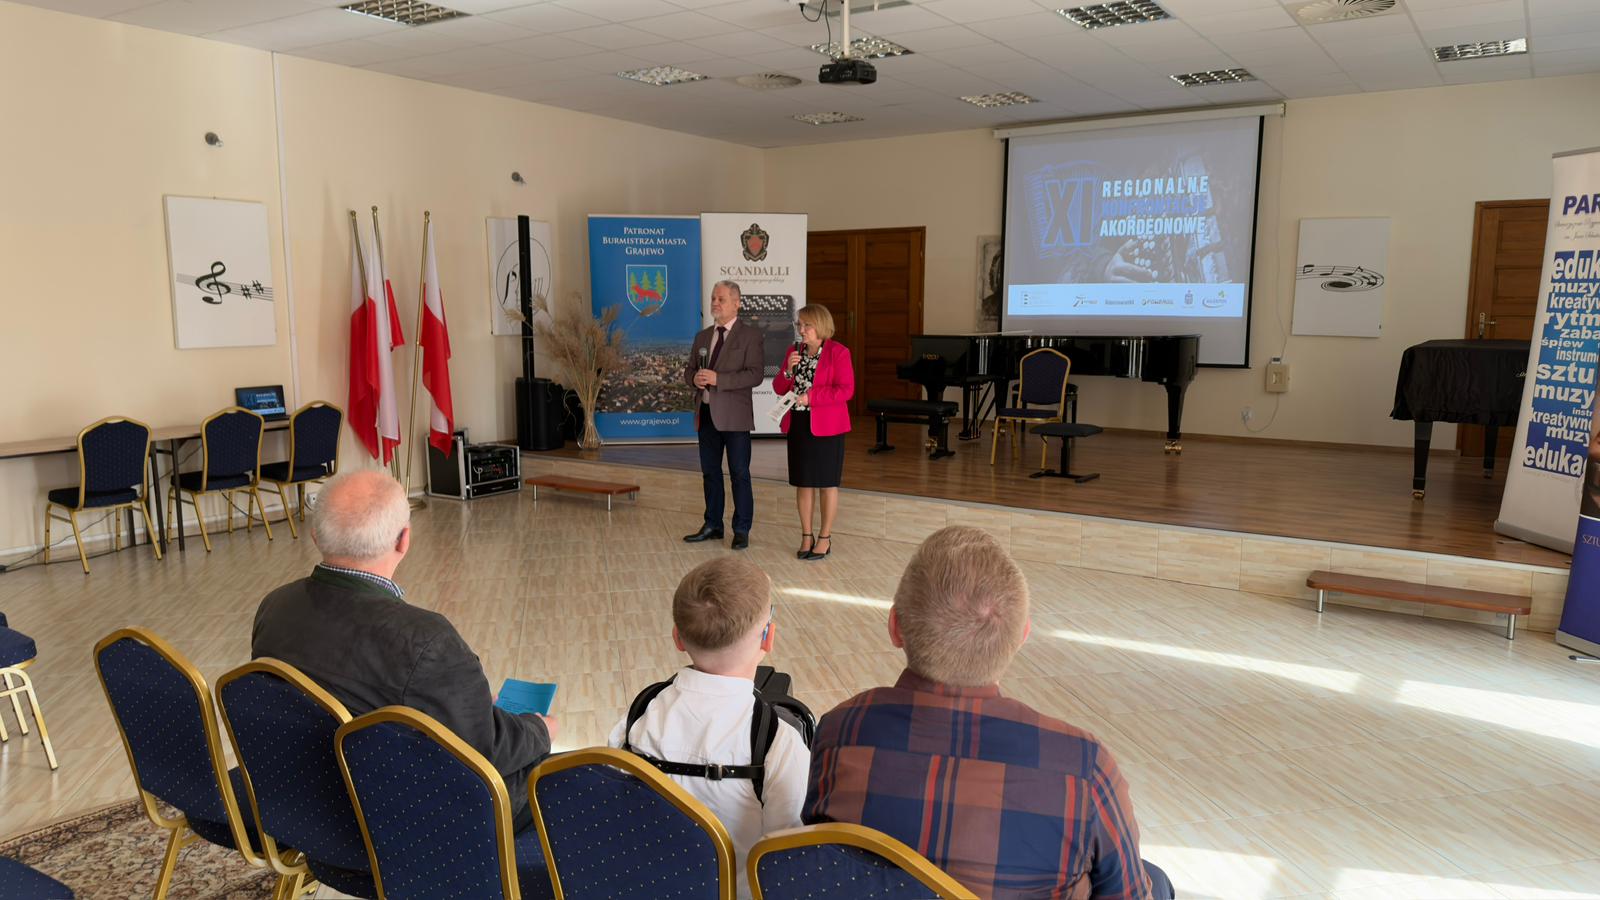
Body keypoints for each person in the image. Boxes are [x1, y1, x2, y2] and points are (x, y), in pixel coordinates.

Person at [803, 526, 1172, 899]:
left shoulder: (840, 730)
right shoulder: (1084, 767)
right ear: (1021, 636)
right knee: (1153, 880)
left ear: (895, 626)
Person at [252, 470, 554, 830]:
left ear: (316, 536)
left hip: (303, 800)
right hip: (394, 822)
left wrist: (464, 703)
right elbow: (483, 752)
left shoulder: (275, 606)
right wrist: (539, 728)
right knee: (552, 774)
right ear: (404, 540)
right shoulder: (428, 641)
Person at [608, 557, 809, 900]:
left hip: (644, 886)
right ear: (768, 638)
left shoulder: (639, 716)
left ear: (677, 637)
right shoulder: (778, 742)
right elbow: (786, 855)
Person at [682, 280, 765, 550]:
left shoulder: (750, 335)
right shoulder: (702, 337)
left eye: (721, 299)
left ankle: (741, 529)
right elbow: (689, 370)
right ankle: (713, 525)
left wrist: (719, 379)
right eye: (713, 299)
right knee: (710, 473)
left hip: (735, 417)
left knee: (739, 473)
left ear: (736, 303)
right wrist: (694, 379)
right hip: (706, 414)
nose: (715, 303)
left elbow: (755, 374)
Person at [772, 304, 854, 561]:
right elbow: (779, 387)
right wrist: (788, 370)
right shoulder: (793, 351)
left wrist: (812, 398)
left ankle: (825, 537)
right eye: (800, 324)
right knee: (804, 482)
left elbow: (846, 390)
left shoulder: (838, 352)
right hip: (798, 425)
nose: (802, 329)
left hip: (828, 427)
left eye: (807, 325)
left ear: (820, 326)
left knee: (827, 483)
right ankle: (806, 535)